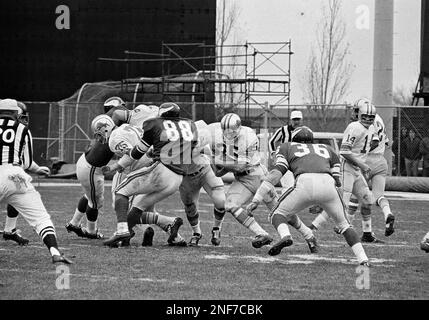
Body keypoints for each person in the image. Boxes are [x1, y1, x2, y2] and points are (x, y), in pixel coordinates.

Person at [246, 126, 370, 266]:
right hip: (328, 184)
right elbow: (337, 179)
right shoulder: (327, 148)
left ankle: (286, 236)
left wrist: (256, 199)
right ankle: (363, 259)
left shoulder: (287, 146)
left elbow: (275, 174)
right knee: (345, 225)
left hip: (304, 182)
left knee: (277, 214)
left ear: (294, 139)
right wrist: (325, 202)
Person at [208, 113, 317, 250]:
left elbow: (240, 166)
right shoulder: (219, 136)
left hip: (257, 176)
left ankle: (308, 234)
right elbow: (219, 172)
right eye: (225, 131)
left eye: (231, 131)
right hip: (241, 178)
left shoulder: (249, 136)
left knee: (282, 212)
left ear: (238, 128)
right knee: (230, 205)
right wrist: (211, 159)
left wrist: (217, 160)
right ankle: (262, 234)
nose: (228, 135)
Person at [102, 102, 197, 247]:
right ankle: (124, 234)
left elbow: (138, 152)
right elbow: (191, 147)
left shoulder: (153, 124)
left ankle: (122, 232)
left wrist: (117, 166)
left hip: (161, 170)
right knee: (138, 207)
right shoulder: (190, 124)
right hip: (177, 178)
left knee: (120, 192)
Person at [0, 99, 71, 264]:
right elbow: (25, 163)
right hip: (16, 176)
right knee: (41, 218)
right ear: (15, 113)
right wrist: (38, 169)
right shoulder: (22, 129)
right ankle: (55, 252)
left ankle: (10, 230)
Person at [309, 98, 380, 243]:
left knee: (367, 201)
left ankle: (367, 234)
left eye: (370, 117)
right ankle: (314, 226)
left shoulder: (371, 127)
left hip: (356, 169)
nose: (367, 119)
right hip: (347, 167)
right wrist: (363, 164)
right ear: (358, 114)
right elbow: (344, 151)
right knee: (341, 202)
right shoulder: (354, 127)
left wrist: (363, 156)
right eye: (364, 116)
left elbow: (371, 143)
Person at [65, 97, 127, 240]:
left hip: (87, 164)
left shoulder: (108, 125)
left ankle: (74, 223)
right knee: (95, 202)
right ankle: (91, 232)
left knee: (89, 196)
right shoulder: (114, 122)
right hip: (92, 169)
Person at [2, 101, 51, 245]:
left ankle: (9, 230)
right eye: (20, 116)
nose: (23, 120)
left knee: (17, 192)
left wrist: (37, 168)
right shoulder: (18, 131)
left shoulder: (17, 131)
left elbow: (23, 160)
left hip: (10, 171)